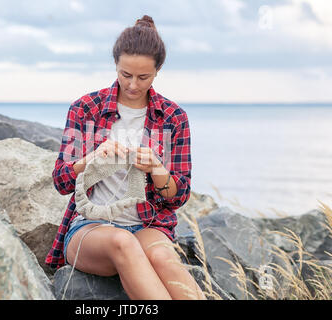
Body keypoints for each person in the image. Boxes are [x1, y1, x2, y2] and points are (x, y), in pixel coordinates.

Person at [45, 15, 206, 300]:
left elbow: (177, 196)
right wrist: (91, 158)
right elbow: (60, 181)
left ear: (157, 71)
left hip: (148, 225)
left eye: (143, 77)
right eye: (125, 74)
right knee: (123, 242)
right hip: (89, 227)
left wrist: (157, 169)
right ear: (115, 65)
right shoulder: (85, 109)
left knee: (164, 260)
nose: (132, 84)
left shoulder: (173, 117)